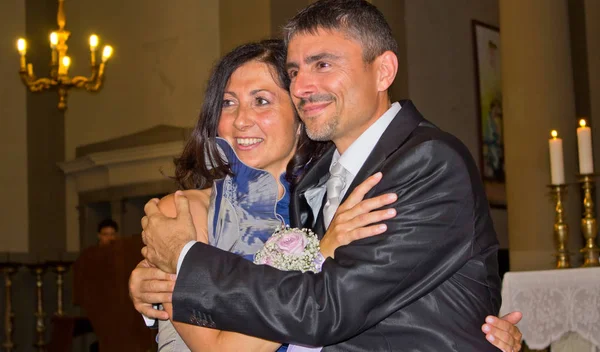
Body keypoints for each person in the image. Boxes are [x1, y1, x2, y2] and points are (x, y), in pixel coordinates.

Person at [133, 1, 523, 350]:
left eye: (323, 64)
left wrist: (184, 260)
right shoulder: (313, 182)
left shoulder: (427, 162)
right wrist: (150, 285)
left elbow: (326, 308)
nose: (302, 85)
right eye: (295, 71)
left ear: (383, 70)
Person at [146, 39, 398, 352]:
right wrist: (322, 253)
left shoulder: (334, 206)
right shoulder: (183, 213)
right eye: (227, 103)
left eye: (261, 101)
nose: (240, 120)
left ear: (300, 117)